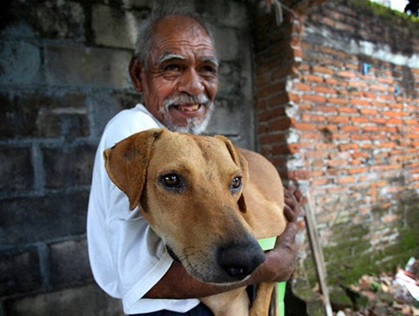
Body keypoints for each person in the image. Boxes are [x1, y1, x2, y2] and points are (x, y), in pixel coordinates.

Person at [87, 10, 303, 316]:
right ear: (139, 74)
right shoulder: (132, 129)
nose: (194, 86)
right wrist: (272, 266)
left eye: (207, 70)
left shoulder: (194, 145)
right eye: (173, 67)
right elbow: (147, 279)